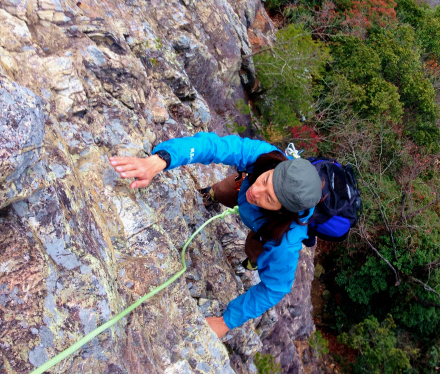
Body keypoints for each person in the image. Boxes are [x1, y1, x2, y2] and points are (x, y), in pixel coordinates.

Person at [108, 132, 323, 338]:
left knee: (254, 250)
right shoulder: (265, 157)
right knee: (224, 189)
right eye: (266, 181)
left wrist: (225, 322)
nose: (257, 191)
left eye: (269, 198)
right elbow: (213, 146)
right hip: (245, 194)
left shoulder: (285, 241)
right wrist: (161, 159)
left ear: (281, 211)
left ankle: (254, 258)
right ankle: (211, 195)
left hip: (265, 232)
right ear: (276, 168)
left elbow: (275, 288)